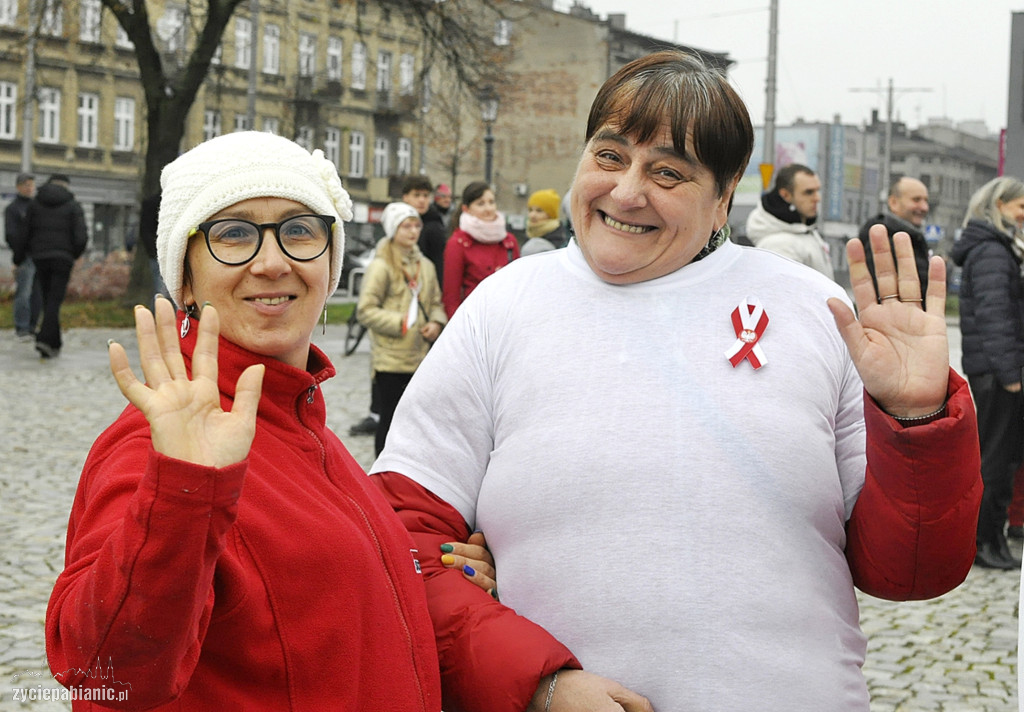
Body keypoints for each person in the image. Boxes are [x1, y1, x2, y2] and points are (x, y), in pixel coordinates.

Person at [370, 51, 981, 712]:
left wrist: (917, 419)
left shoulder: (813, 309)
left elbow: (910, 571)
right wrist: (538, 682)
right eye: (609, 156)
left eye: (668, 171)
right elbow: (403, 540)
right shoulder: (501, 308)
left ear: (723, 196)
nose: (628, 191)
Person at [44, 131, 492, 710]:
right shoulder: (158, 447)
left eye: (300, 229)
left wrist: (419, 566)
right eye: (233, 234)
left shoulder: (305, 424)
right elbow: (103, 673)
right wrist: (182, 493)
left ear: (330, 261)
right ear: (184, 277)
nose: (273, 262)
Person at [950, 176, 1024, 570]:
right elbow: (996, 319)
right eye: (1019, 206)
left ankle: (990, 539)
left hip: (994, 368)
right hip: (998, 372)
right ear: (998, 205)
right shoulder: (993, 253)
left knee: (1001, 457)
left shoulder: (994, 249)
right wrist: (1011, 373)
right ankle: (984, 542)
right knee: (996, 459)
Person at [357, 201, 446, 455]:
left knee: (415, 423)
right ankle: (381, 480)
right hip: (391, 359)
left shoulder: (425, 265)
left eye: (416, 225)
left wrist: (436, 322)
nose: (413, 231)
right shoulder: (381, 265)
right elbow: (366, 309)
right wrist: (400, 323)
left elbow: (436, 302)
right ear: (393, 229)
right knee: (388, 420)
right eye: (406, 226)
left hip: (420, 357)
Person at [15, 174, 89, 358]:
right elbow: (81, 236)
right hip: (63, 258)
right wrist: (74, 254)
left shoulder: (35, 204)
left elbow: (24, 232)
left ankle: (53, 343)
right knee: (54, 300)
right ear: (66, 186)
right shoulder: (73, 205)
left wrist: (19, 257)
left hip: (39, 257)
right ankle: (44, 339)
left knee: (48, 298)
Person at [442, 181, 519, 317]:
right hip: (474, 320)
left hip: (507, 318)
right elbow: (451, 295)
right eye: (480, 204)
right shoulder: (458, 243)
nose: (488, 208)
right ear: (466, 209)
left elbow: (519, 286)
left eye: (491, 202)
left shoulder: (509, 241)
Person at [746, 163, 833, 279]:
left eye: (817, 191)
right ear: (786, 195)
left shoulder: (803, 230)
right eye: (809, 192)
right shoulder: (779, 244)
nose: (817, 198)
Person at [859, 176, 931, 299]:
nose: (924, 207)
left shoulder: (916, 240)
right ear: (893, 203)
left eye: (926, 200)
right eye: (916, 200)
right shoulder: (881, 243)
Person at [4, 172, 41, 340]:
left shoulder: (38, 206)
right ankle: (22, 327)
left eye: (32, 185)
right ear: (19, 187)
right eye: (27, 185)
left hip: (40, 255)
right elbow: (11, 235)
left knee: (37, 293)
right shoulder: (13, 209)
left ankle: (33, 326)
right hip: (25, 256)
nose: (30, 188)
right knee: (24, 293)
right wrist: (18, 257)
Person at [402, 175, 448, 285]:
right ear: (405, 197)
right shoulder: (397, 223)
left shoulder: (435, 227)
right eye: (416, 195)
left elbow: (439, 266)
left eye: (426, 196)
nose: (422, 200)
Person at [521, 188, 569, 256]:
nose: (532, 215)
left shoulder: (560, 239)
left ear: (550, 215)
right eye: (530, 210)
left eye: (539, 211)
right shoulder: (529, 234)